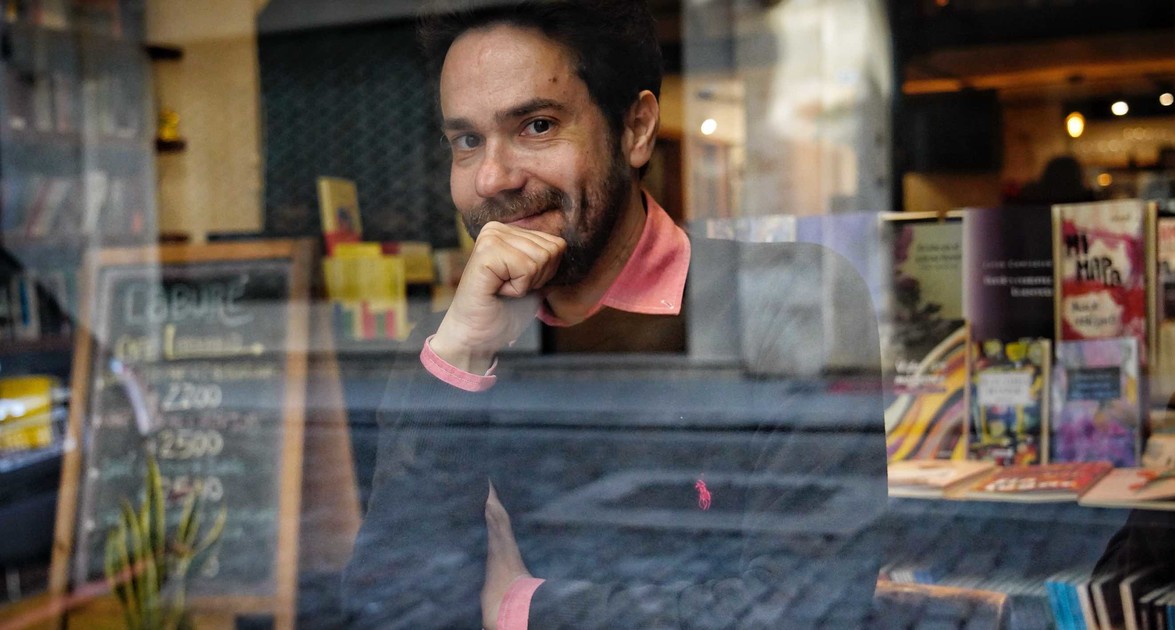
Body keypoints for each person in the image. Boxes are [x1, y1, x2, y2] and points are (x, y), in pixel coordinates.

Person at [342, 2, 886, 627]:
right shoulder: (451, 347)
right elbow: (384, 609)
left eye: (537, 126)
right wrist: (462, 354)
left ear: (635, 129)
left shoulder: (786, 303)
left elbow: (807, 610)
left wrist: (523, 608)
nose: (492, 177)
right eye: (467, 141)